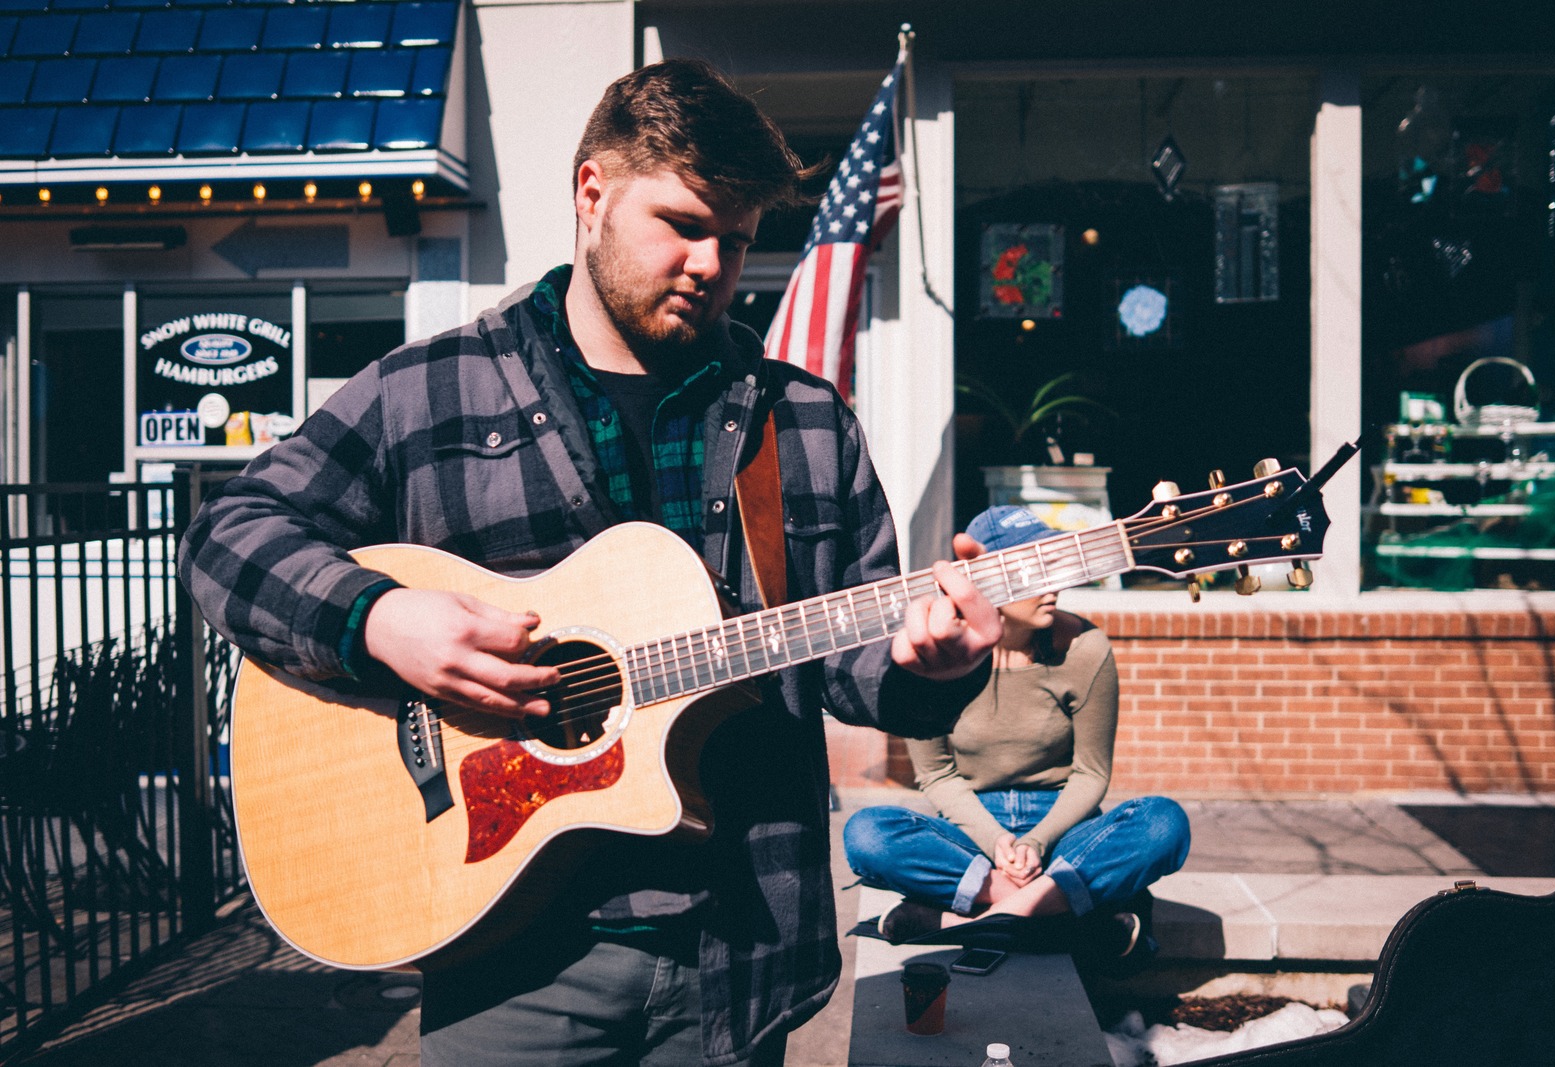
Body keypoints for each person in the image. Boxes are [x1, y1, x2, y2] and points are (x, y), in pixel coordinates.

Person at [178, 60, 1002, 1067]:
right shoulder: (429, 390)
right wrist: (381, 620)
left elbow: (853, 664)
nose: (710, 263)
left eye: (737, 240)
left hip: (740, 946)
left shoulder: (805, 421)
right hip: (509, 957)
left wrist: (936, 666)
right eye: (682, 225)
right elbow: (228, 534)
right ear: (592, 192)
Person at [843, 504, 1190, 960]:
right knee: (867, 834)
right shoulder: (939, 654)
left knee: (1163, 823)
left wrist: (1036, 842)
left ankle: (975, 920)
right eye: (1035, 571)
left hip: (1063, 828)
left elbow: (1091, 774)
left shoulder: (1084, 648)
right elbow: (937, 775)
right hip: (972, 830)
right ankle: (1058, 914)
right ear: (984, 580)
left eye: (1055, 567)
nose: (1053, 585)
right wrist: (997, 843)